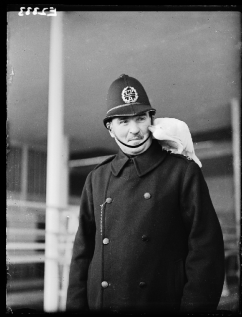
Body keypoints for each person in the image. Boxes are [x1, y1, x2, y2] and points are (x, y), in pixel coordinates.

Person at [66, 74, 225, 314]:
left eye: (140, 118)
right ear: (110, 128)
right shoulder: (96, 179)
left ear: (151, 118)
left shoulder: (182, 172)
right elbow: (82, 254)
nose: (134, 130)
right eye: (123, 122)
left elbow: (206, 251)